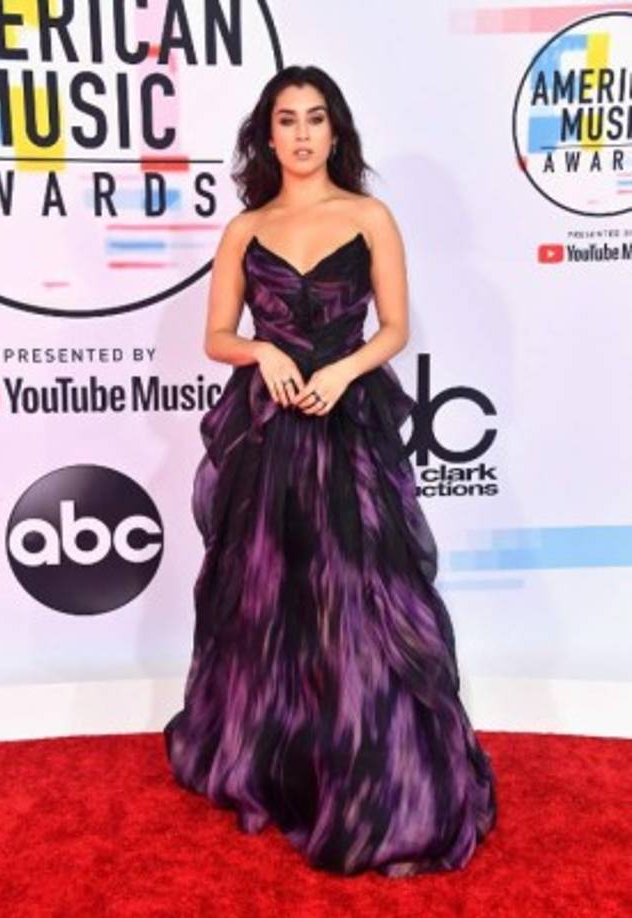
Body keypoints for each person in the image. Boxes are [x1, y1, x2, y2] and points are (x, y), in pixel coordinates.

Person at [163, 64, 498, 878]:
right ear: (266, 134)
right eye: (287, 119)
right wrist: (263, 348)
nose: (303, 134)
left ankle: (370, 777)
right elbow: (216, 337)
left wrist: (344, 371)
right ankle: (283, 766)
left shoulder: (369, 215)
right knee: (271, 597)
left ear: (336, 131)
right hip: (271, 426)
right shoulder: (245, 230)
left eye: (317, 118)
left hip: (346, 421)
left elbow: (393, 327)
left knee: (358, 597)